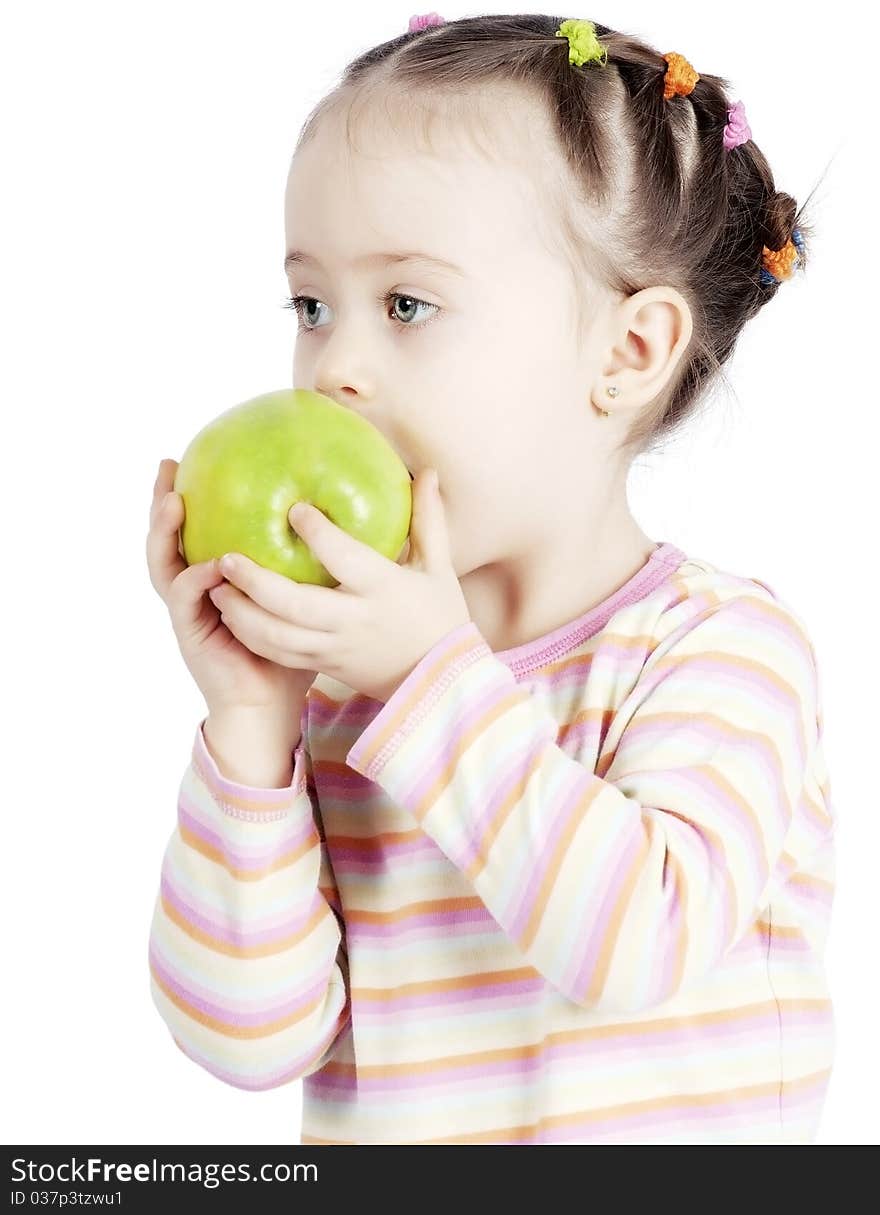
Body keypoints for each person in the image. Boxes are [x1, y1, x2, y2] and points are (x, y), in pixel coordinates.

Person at [144, 14, 836, 1145]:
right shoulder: (345, 692)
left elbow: (635, 942)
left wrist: (425, 676)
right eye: (312, 307)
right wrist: (251, 733)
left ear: (627, 352)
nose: (337, 371)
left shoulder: (717, 650)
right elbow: (247, 1039)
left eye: (407, 305)